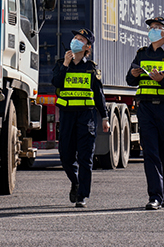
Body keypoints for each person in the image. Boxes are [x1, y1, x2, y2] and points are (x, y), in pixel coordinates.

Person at [126, 16, 164, 210]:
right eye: (151, 27)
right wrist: (133, 75)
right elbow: (130, 80)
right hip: (146, 109)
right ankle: (155, 196)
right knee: (150, 153)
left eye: (157, 27)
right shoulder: (141, 54)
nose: (153, 30)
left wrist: (162, 79)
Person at [51, 28, 109, 208]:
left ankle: (82, 195)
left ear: (87, 47)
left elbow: (99, 94)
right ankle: (75, 181)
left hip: (86, 118)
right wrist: (66, 65)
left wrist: (105, 117)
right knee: (65, 156)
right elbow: (56, 83)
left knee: (85, 158)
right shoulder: (62, 64)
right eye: (75, 38)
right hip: (67, 117)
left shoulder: (91, 68)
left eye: (80, 39)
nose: (75, 41)